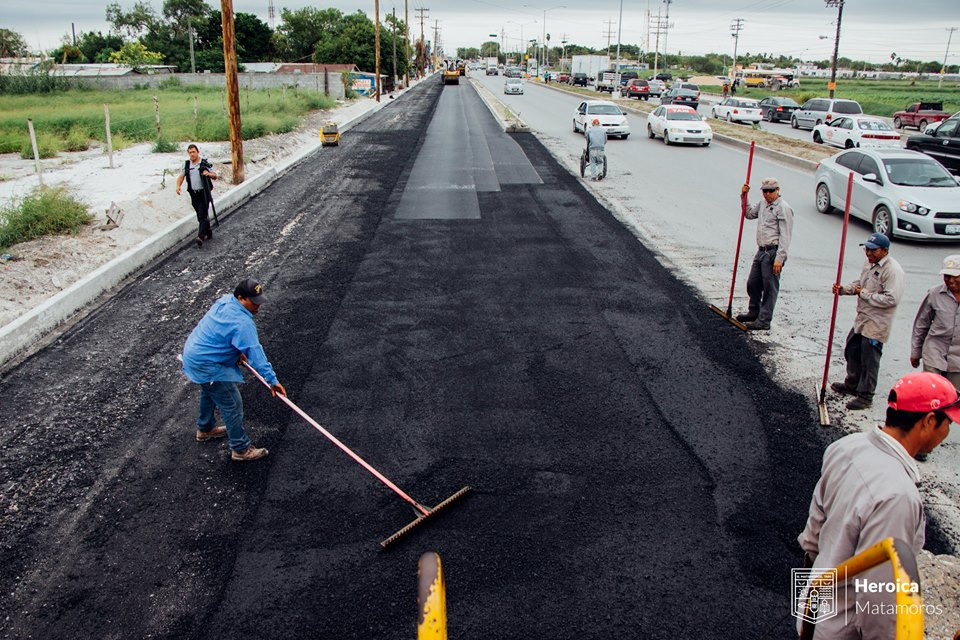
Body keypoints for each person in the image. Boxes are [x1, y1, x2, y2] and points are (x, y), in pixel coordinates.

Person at [797, 371, 957, 639]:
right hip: (841, 628)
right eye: (947, 423)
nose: (947, 432)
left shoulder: (845, 446)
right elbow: (879, 602)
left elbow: (814, 532)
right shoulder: (898, 497)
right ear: (929, 421)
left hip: (813, 609)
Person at [181, 278, 286, 462]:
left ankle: (205, 429)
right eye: (253, 302)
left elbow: (220, 332)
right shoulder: (242, 322)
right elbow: (255, 353)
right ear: (240, 298)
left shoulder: (225, 301)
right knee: (232, 404)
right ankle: (240, 448)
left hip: (194, 355)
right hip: (207, 364)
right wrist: (272, 381)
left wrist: (235, 353)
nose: (257, 306)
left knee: (209, 391)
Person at [831, 233, 905, 410]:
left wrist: (863, 294)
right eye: (867, 250)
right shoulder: (870, 264)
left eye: (873, 251)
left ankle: (865, 395)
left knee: (869, 359)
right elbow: (861, 283)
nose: (868, 254)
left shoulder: (892, 271)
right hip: (863, 317)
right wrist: (845, 289)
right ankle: (852, 384)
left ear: (885, 250)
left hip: (877, 323)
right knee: (852, 349)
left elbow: (891, 299)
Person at [736, 178, 794, 331]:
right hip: (761, 251)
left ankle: (764, 320)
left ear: (778, 190)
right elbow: (748, 214)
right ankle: (754, 312)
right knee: (752, 283)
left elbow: (786, 236)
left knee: (769, 288)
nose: (767, 194)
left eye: (771, 191)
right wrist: (744, 196)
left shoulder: (783, 208)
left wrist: (779, 259)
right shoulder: (763, 204)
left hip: (773, 253)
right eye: (765, 191)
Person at [910, 254, 960, 390]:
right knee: (932, 393)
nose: (949, 281)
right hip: (935, 352)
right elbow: (921, 324)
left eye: (954, 276)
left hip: (958, 361)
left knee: (954, 399)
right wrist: (916, 351)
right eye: (946, 276)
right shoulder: (934, 294)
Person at [176, 143, 218, 248]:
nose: (192, 154)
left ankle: (200, 237)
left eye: (193, 152)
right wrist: (178, 186)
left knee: (202, 214)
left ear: (197, 152)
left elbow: (215, 175)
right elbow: (181, 176)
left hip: (204, 193)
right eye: (190, 152)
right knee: (200, 215)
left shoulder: (204, 163)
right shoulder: (186, 165)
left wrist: (208, 174)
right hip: (193, 193)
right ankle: (208, 232)